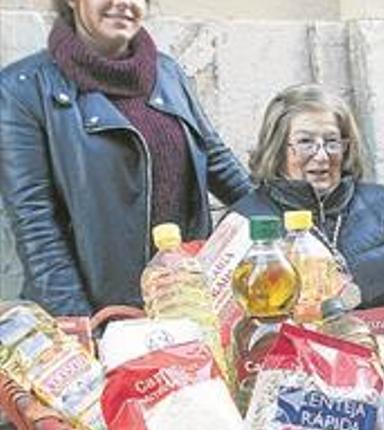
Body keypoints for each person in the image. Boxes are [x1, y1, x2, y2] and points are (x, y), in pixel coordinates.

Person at [0, 0, 252, 316]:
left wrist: (290, 233)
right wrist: (86, 329)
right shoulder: (21, 89)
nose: (123, 3)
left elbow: (219, 163)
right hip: (101, 315)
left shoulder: (168, 73)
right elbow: (35, 223)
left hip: (183, 304)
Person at [233, 84, 384, 330]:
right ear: (277, 149)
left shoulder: (383, 205)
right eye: (306, 142)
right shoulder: (244, 221)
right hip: (297, 361)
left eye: (332, 142)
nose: (321, 155)